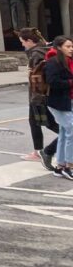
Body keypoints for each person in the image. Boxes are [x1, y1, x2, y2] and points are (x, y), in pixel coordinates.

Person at [20, 27, 58, 169]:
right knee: (39, 122)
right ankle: (38, 151)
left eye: (23, 42)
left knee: (46, 123)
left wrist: (36, 97)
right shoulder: (45, 50)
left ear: (30, 41)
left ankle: (39, 151)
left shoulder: (36, 54)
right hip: (44, 94)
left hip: (38, 95)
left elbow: (37, 77)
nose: (22, 45)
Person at [43, 35, 73, 180]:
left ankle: (60, 166)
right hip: (58, 102)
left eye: (72, 46)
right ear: (59, 47)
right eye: (68, 46)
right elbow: (53, 82)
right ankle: (68, 166)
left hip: (67, 101)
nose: (71, 49)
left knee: (64, 132)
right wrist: (70, 82)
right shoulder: (53, 62)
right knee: (71, 132)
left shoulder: (67, 61)